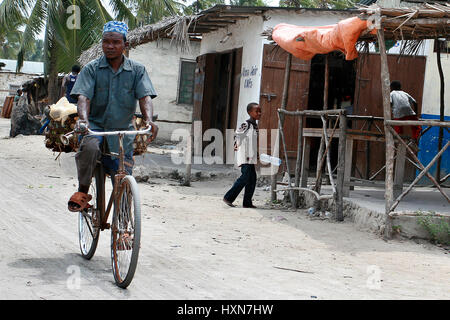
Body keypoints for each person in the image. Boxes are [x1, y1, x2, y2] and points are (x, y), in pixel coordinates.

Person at [67, 20, 159, 212]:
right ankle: (83, 191)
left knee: (124, 178)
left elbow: (145, 96)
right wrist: (83, 120)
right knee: (90, 147)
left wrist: (149, 119)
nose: (110, 46)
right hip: (95, 127)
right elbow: (83, 96)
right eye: (106, 41)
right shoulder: (91, 68)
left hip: (122, 131)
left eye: (116, 42)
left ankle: (124, 222)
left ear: (125, 44)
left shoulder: (137, 70)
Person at [223, 102, 261, 208]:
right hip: (245, 155)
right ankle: (228, 197)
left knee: (252, 178)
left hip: (251, 155)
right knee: (245, 177)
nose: (259, 113)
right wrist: (236, 144)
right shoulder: (246, 124)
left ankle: (247, 202)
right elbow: (238, 135)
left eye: (260, 111)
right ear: (249, 112)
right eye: (256, 111)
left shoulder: (255, 125)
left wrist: (256, 153)